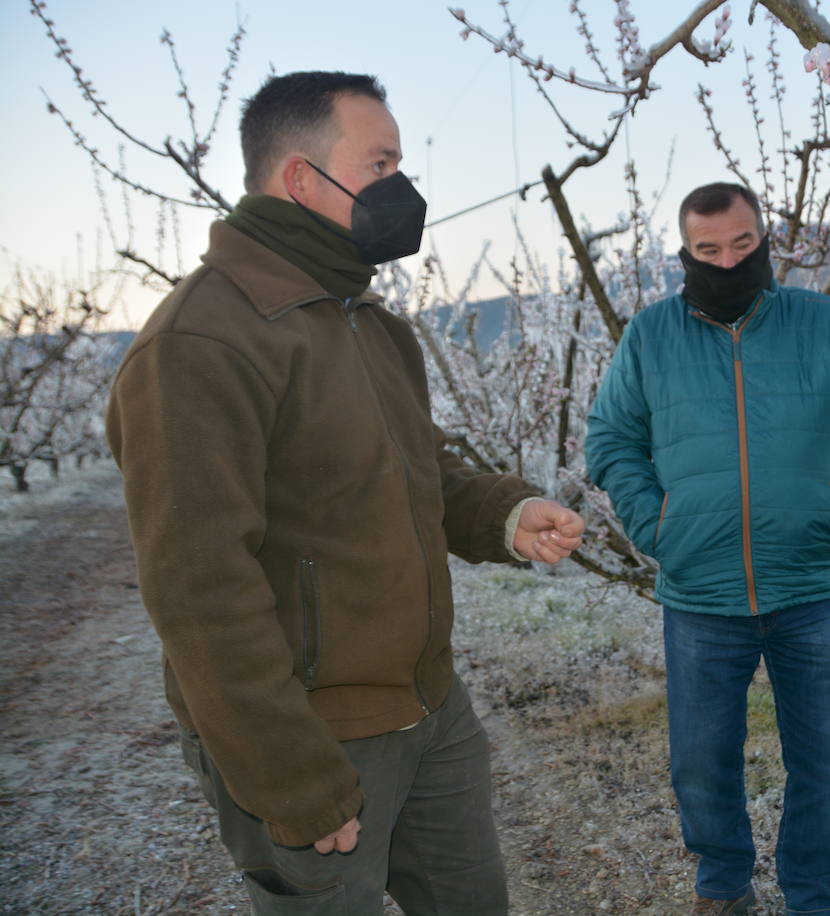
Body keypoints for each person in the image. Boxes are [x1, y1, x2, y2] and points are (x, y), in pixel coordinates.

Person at [105, 71, 584, 916]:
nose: (403, 189)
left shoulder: (369, 324)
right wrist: (289, 773)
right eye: (382, 164)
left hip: (432, 712)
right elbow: (197, 586)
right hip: (318, 743)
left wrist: (505, 515)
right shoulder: (200, 343)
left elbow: (418, 470)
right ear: (299, 179)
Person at [584, 182, 830, 915]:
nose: (726, 260)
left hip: (811, 585)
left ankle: (812, 896)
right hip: (701, 594)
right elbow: (611, 439)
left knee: (823, 763)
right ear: (685, 252)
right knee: (702, 764)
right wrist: (660, 527)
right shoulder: (651, 337)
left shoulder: (819, 321)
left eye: (742, 244)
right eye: (707, 250)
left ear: (764, 240)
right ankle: (722, 889)